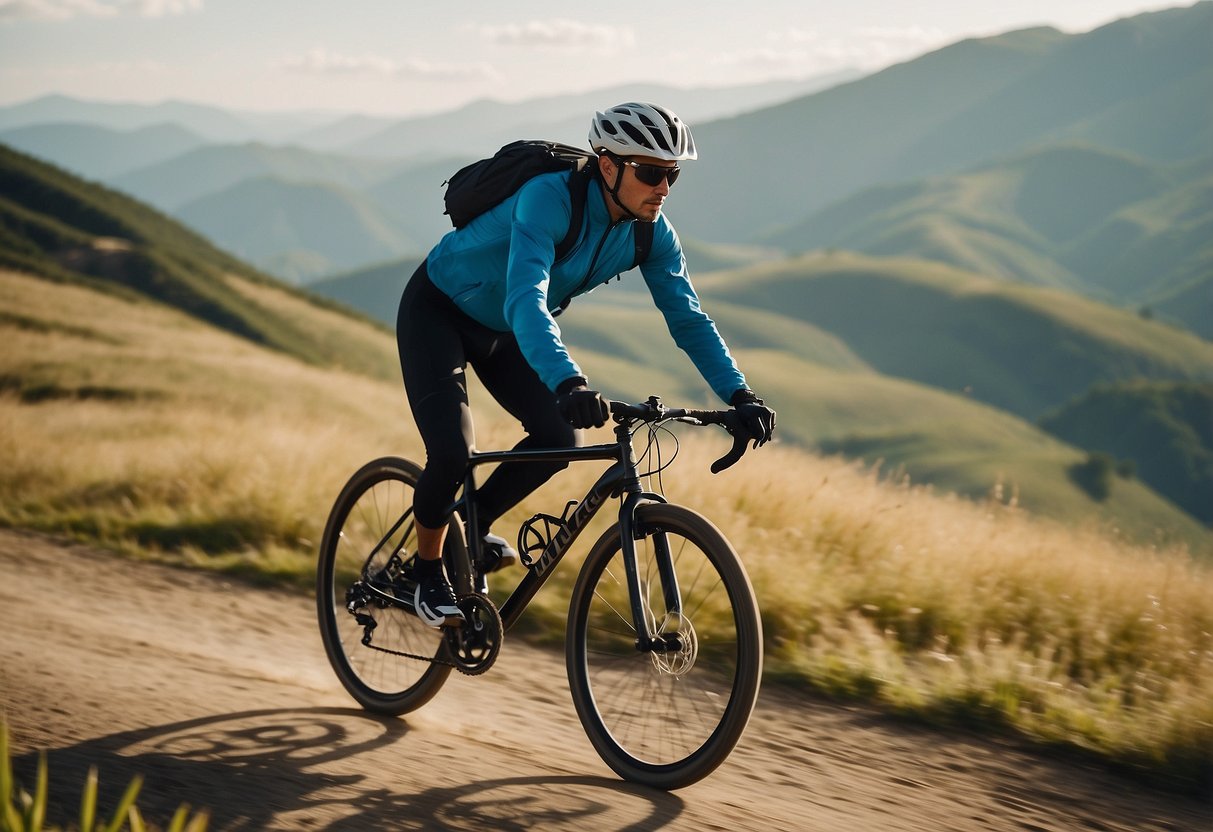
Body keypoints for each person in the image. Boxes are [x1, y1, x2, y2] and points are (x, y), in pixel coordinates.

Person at [396, 102, 776, 627]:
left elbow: (688, 319)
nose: (663, 188)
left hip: (506, 333)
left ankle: (466, 526)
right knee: (452, 452)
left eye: (672, 175)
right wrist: (568, 380)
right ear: (607, 166)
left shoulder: (651, 234)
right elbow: (525, 299)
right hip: (439, 311)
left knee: (557, 440)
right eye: (650, 172)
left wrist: (740, 396)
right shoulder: (547, 199)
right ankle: (426, 572)